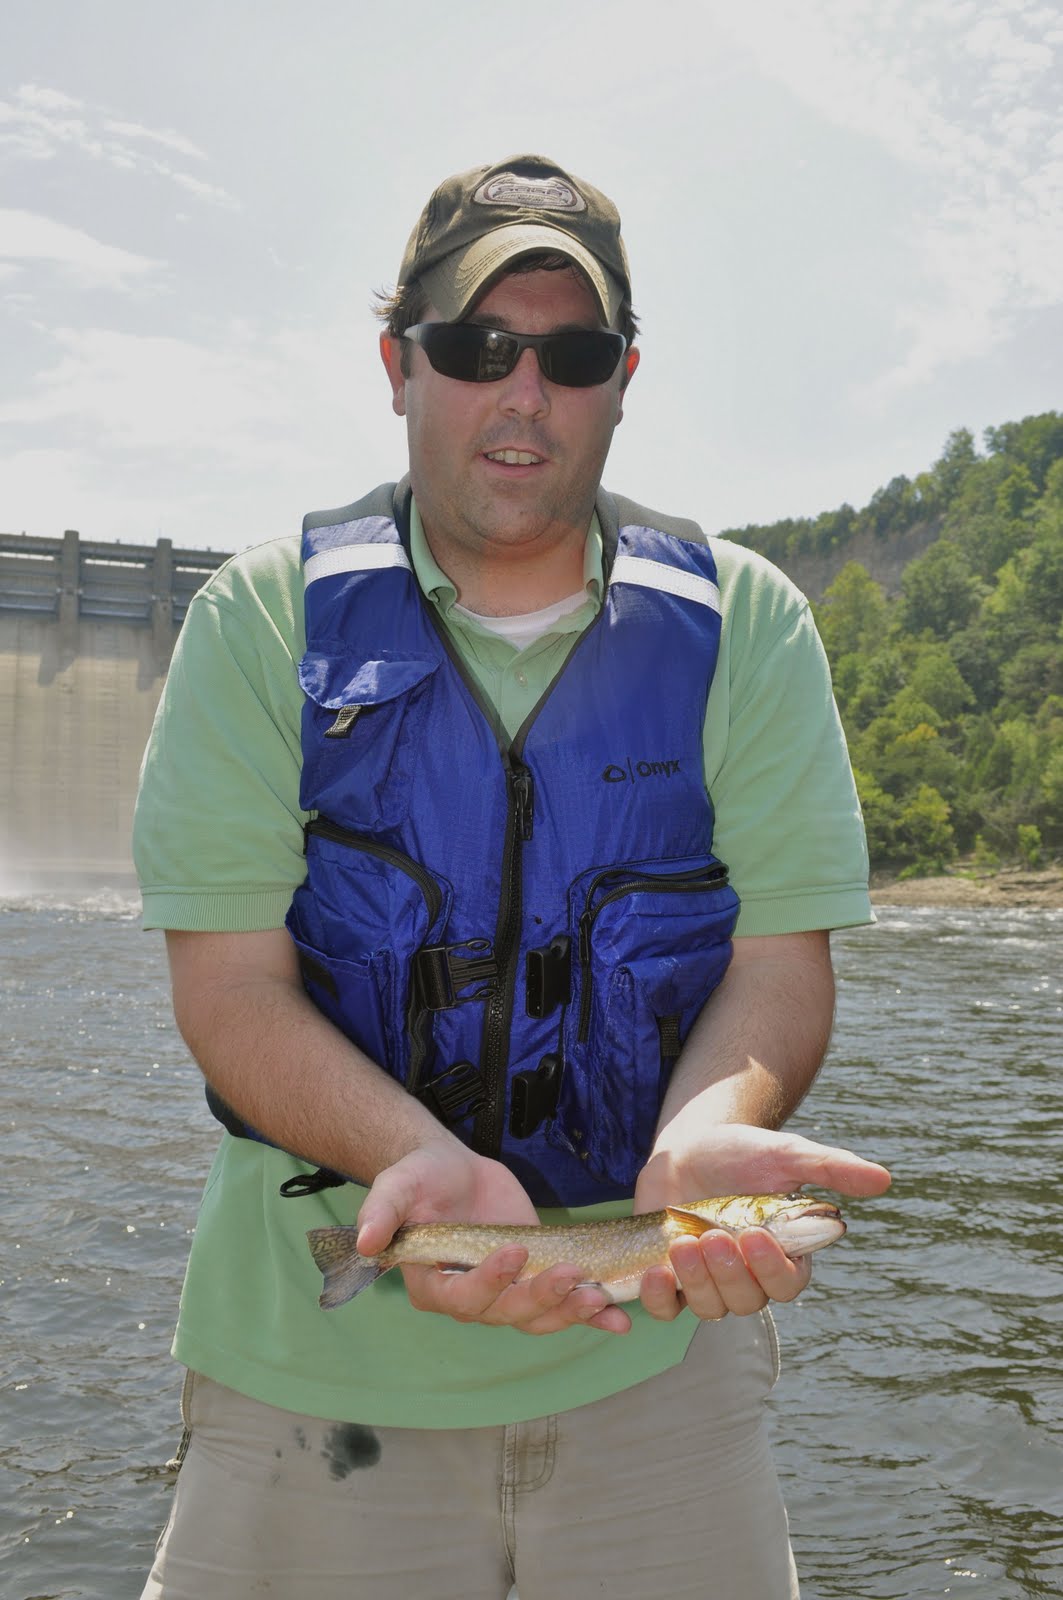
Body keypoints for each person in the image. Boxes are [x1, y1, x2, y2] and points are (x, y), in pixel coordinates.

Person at [133, 153, 890, 1600]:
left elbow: (779, 967)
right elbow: (229, 988)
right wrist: (411, 1165)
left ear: (624, 377)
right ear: (397, 365)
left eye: (574, 351)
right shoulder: (259, 619)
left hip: (660, 1383)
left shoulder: (751, 626)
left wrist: (710, 1137)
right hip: (310, 1377)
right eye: (476, 347)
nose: (524, 392)